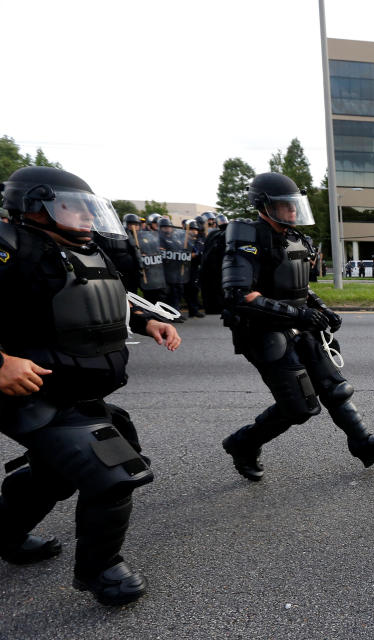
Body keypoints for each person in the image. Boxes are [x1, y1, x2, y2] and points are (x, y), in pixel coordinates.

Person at [0, 166, 181, 606]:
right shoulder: (11, 248)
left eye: (87, 208)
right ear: (35, 210)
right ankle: (101, 571)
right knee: (114, 473)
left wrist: (147, 320)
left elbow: (98, 304)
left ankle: (7, 534)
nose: (84, 217)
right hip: (28, 392)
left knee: (56, 475)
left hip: (73, 390)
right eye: (70, 207)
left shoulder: (84, 251)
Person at [219, 172, 374, 482]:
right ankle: (243, 443)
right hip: (264, 333)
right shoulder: (247, 236)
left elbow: (300, 288)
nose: (291, 212)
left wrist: (322, 309)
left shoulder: (295, 237)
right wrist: (300, 315)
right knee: (298, 408)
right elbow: (239, 295)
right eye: (283, 206)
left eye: (294, 206)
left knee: (335, 388)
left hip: (299, 326)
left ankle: (363, 444)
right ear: (263, 205)